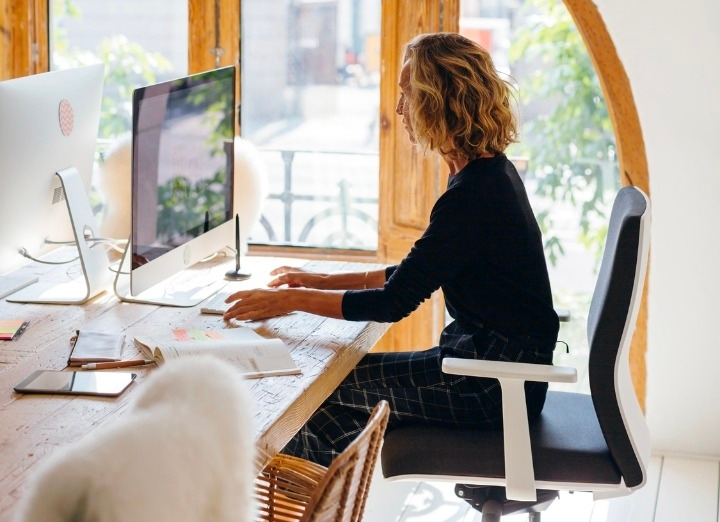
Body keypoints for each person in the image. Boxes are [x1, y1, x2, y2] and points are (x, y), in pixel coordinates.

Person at [223, 32, 559, 467]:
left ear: (440, 100)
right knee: (324, 409)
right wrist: (315, 280)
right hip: (491, 369)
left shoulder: (474, 194)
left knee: (318, 391)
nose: (399, 109)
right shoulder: (487, 173)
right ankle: (319, 507)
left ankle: (304, 504)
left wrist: (287, 299)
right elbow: (413, 272)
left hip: (490, 385)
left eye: (407, 94)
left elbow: (393, 301)